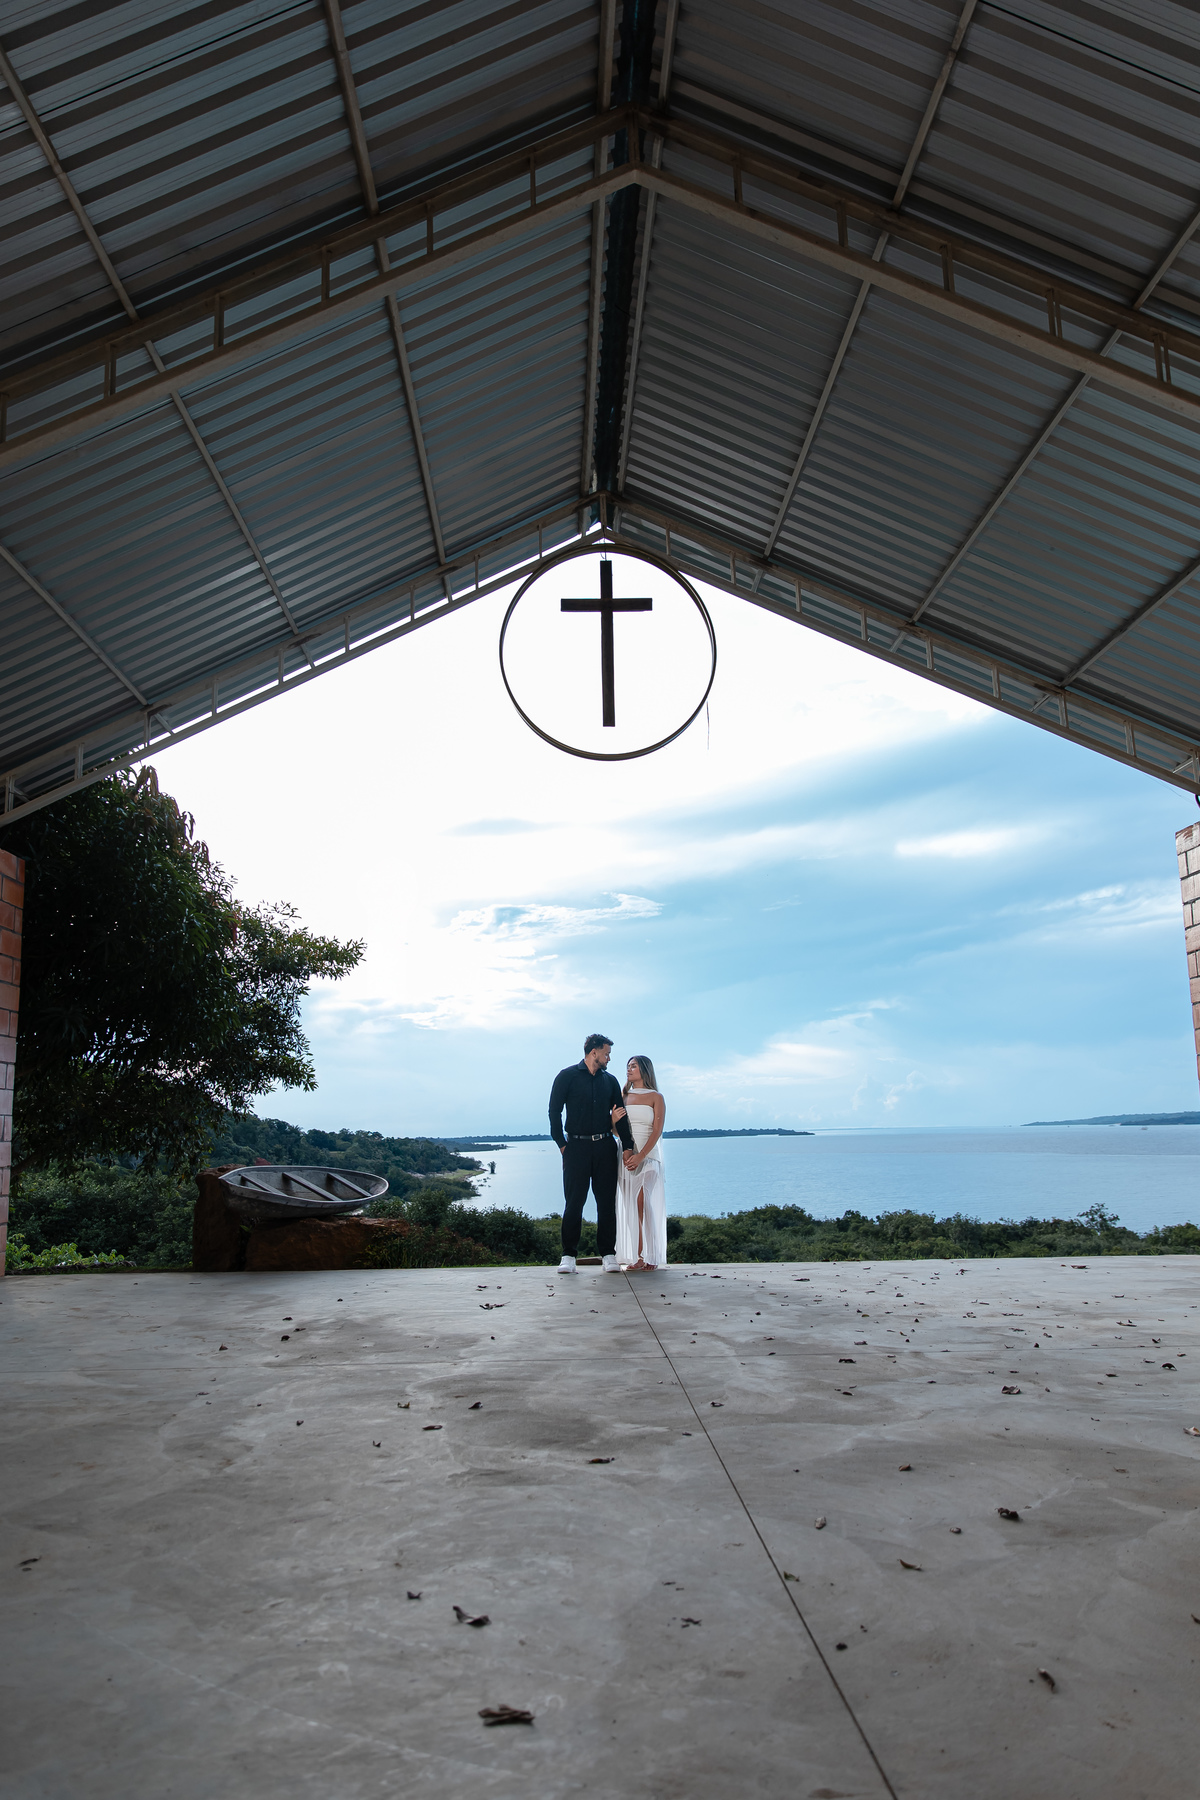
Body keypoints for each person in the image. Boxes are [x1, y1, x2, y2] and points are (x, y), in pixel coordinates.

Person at [548, 1034, 635, 1274]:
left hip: (605, 1147)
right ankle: (568, 1256)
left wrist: (628, 1146)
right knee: (574, 1203)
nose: (609, 1058)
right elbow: (554, 1112)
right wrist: (561, 1144)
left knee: (606, 1203)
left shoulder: (610, 1081)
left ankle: (608, 1255)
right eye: (607, 1053)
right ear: (593, 1052)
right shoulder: (566, 1076)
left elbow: (621, 1115)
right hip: (575, 1148)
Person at [614, 1055, 667, 1271]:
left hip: (649, 1156)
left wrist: (641, 1156)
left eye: (633, 1066)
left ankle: (650, 1254)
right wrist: (612, 1121)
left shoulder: (656, 1097)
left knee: (642, 1202)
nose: (628, 1070)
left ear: (644, 1069)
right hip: (626, 1157)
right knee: (631, 1205)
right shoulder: (623, 1096)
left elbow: (657, 1131)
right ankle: (637, 1256)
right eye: (627, 1066)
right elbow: (616, 1131)